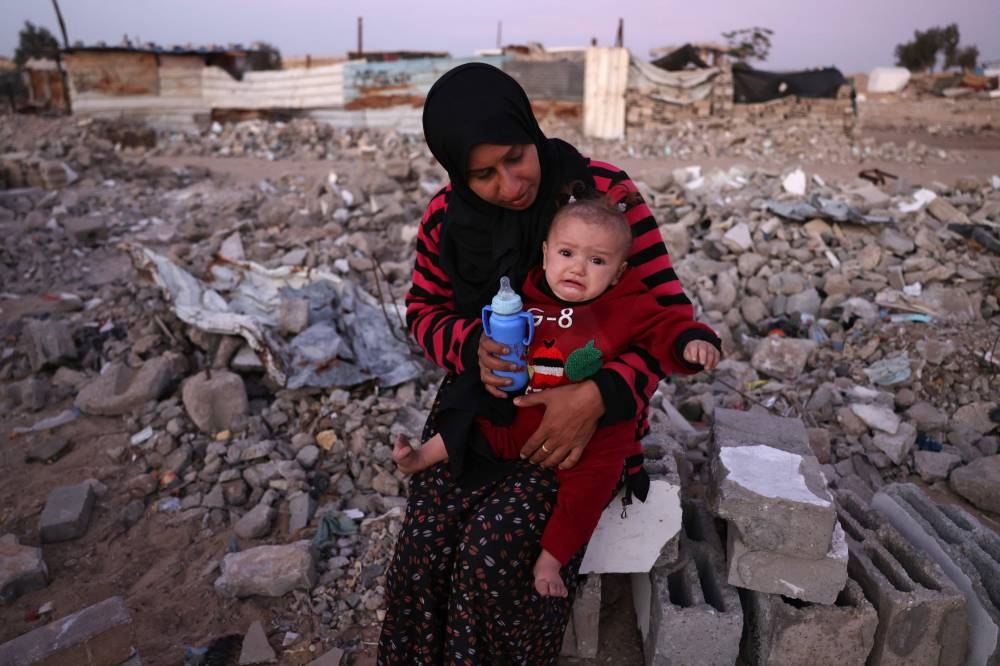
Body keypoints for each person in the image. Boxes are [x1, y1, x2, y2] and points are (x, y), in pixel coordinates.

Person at [378, 62, 716, 665]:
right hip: (483, 405)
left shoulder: (604, 197)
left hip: (589, 419)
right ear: (456, 171)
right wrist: (469, 348)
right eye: (482, 174)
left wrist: (598, 397)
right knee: (427, 544)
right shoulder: (445, 220)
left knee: (494, 552)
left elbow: (663, 314)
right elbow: (423, 310)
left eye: (516, 157)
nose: (509, 185)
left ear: (530, 128)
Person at [392, 198, 720, 598]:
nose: (578, 268)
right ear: (546, 253)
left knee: (589, 488)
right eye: (566, 253)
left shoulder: (629, 306)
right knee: (475, 418)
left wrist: (693, 342)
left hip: (590, 433)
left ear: (619, 273)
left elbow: (669, 328)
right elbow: (450, 319)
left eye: (597, 261)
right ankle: (422, 456)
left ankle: (552, 557)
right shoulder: (526, 292)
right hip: (521, 411)